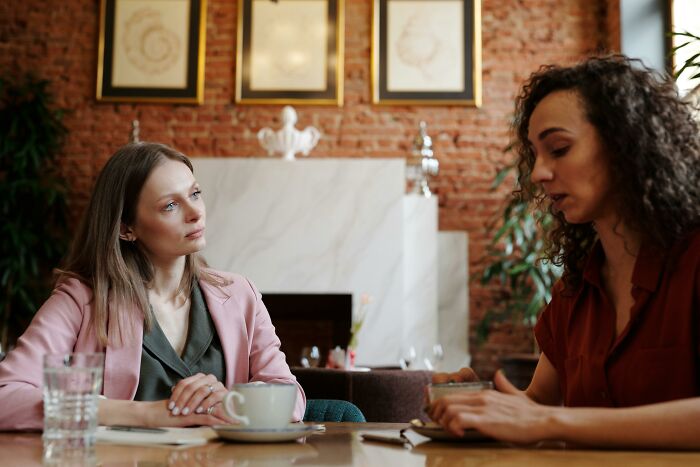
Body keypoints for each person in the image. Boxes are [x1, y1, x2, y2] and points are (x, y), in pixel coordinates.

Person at [429, 55, 700, 449]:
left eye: (558, 149)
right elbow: (539, 406)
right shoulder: (576, 287)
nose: (538, 173)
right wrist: (483, 404)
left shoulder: (693, 257)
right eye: (535, 155)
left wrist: (549, 420)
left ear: (625, 144)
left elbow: (549, 419)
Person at [0, 142, 306, 430]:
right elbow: (6, 396)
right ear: (125, 228)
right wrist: (147, 414)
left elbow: (291, 397)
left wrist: (233, 402)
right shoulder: (81, 299)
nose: (195, 212)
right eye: (170, 205)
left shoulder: (239, 294)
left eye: (195, 193)